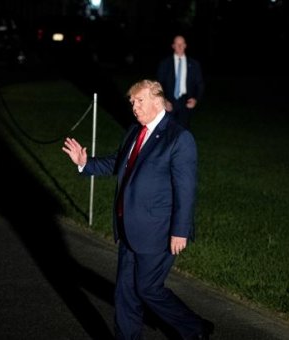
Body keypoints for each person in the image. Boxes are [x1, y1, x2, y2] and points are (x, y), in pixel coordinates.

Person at [62, 80, 214, 339]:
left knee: (148, 289)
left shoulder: (179, 138)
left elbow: (185, 190)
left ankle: (194, 328)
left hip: (159, 231)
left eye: (139, 101)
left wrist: (180, 231)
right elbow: (118, 163)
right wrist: (85, 163)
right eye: (132, 102)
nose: (134, 107)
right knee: (125, 293)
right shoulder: (135, 131)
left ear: (157, 101)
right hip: (128, 227)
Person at [156, 35, 205, 130]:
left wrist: (195, 99)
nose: (179, 46)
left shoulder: (194, 64)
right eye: (177, 44)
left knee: (183, 130)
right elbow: (158, 84)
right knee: (166, 130)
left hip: (185, 101)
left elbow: (199, 83)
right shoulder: (165, 63)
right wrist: (163, 100)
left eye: (182, 44)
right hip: (168, 100)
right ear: (173, 46)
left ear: (185, 45)